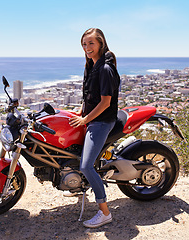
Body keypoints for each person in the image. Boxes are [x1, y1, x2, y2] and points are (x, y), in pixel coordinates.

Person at [69, 28, 120, 228]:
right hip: (91, 118)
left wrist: (85, 120)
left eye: (91, 43)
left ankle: (104, 212)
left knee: (86, 165)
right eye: (84, 44)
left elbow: (105, 103)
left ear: (101, 43)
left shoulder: (106, 69)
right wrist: (80, 112)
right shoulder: (91, 65)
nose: (87, 48)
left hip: (102, 121)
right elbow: (89, 95)